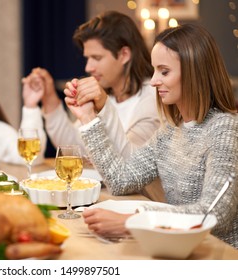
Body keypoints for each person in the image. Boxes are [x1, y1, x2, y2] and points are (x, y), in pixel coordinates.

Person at [65, 24, 238, 248]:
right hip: (177, 249)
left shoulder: (225, 128)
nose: (154, 81)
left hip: (217, 257)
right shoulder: (169, 131)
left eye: (164, 71)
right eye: (155, 70)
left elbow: (215, 213)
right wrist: (88, 119)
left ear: (195, 71)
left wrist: (134, 221)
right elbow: (121, 181)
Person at [22, 11, 160, 158]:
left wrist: (103, 106)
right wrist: (49, 97)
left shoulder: (152, 98)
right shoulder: (107, 95)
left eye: (97, 57)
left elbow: (130, 165)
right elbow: (73, 147)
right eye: (88, 58)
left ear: (124, 55)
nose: (88, 68)